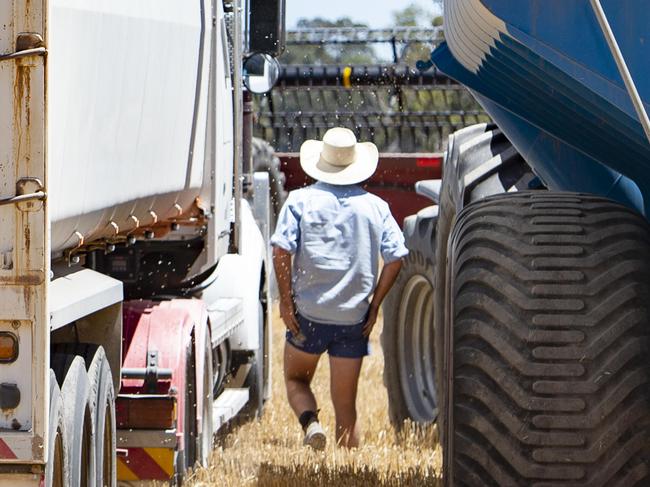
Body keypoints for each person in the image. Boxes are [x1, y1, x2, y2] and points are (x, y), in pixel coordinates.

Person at [270, 127, 408, 450]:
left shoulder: (300, 200)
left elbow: (280, 249)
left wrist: (287, 304)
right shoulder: (376, 206)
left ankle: (311, 423)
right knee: (347, 410)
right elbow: (397, 257)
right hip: (353, 320)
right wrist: (374, 307)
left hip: (308, 315)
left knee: (295, 380)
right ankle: (348, 472)